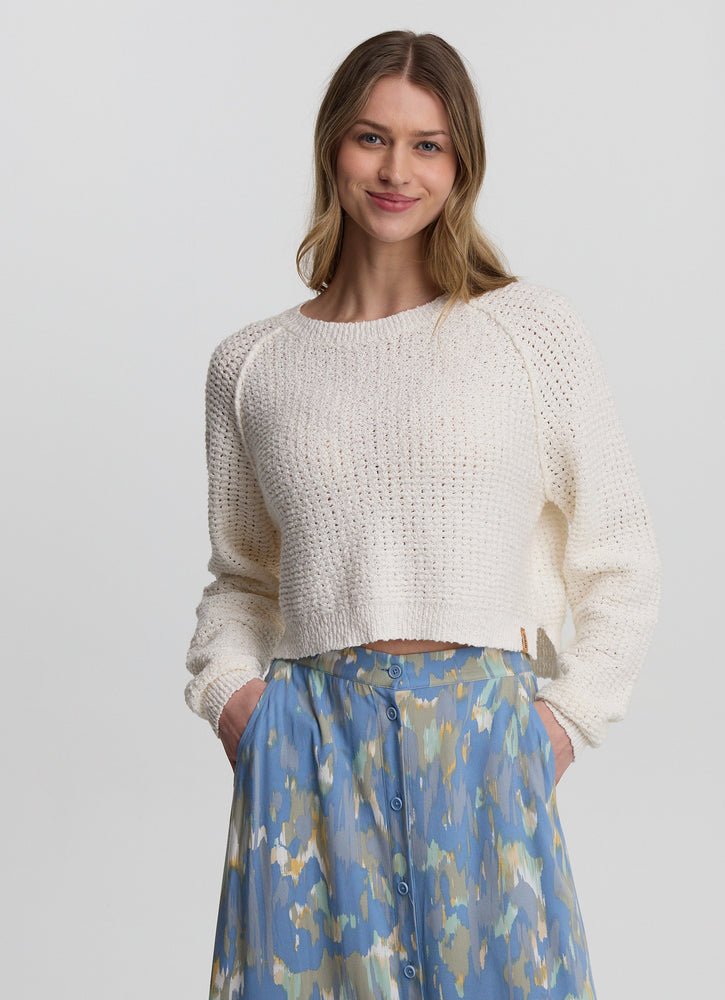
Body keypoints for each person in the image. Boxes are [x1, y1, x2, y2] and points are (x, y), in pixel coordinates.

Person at [184, 28, 661, 1000]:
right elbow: (242, 578)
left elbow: (619, 556)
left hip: (484, 739)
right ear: (332, 146)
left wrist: (564, 722)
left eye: (426, 144)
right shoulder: (251, 366)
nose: (396, 170)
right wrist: (235, 700)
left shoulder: (528, 333)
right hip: (309, 739)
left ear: (460, 163)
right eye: (372, 138)